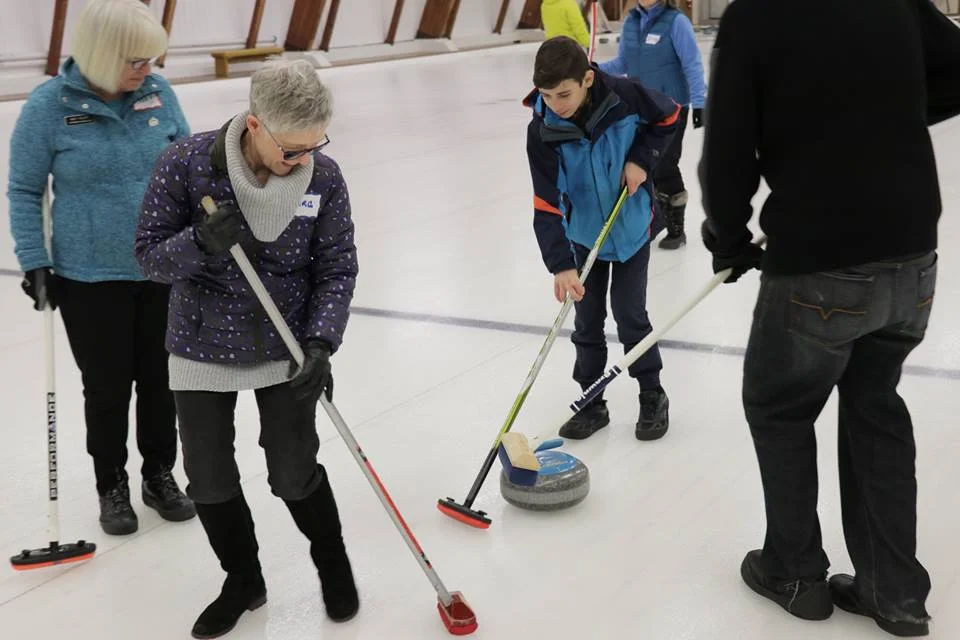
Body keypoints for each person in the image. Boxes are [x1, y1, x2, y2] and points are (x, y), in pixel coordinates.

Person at [698, 0, 960, 635]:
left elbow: (728, 148)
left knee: (779, 406)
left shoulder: (756, 16)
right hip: (909, 254)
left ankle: (794, 569)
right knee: (875, 402)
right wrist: (883, 122)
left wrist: (728, 240)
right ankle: (894, 592)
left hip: (822, 260)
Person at [134, 59, 360, 639]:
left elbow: (336, 268)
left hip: (286, 345)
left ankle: (331, 562)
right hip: (200, 346)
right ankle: (243, 581)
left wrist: (321, 342)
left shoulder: (324, 178)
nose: (303, 160)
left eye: (315, 145)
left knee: (292, 471)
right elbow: (150, 259)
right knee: (207, 478)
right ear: (255, 126)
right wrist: (199, 244)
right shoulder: (186, 165)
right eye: (291, 150)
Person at [7, 0, 194, 536]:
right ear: (102, 53)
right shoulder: (50, 106)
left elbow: (189, 165)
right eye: (135, 59)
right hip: (89, 278)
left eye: (151, 58)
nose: (147, 69)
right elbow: (24, 190)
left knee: (162, 382)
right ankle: (110, 483)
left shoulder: (159, 94)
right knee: (108, 388)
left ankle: (159, 474)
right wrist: (35, 260)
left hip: (163, 269)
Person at [525, 36, 680, 442]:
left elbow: (668, 117)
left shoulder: (625, 95)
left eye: (564, 94)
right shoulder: (542, 130)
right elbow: (545, 204)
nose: (556, 104)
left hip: (629, 228)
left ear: (588, 79)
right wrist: (560, 264)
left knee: (631, 316)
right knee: (587, 323)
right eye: (546, 95)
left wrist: (640, 160)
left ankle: (652, 394)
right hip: (581, 237)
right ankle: (592, 402)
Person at [599, 0, 706, 250]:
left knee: (665, 165)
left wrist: (700, 102)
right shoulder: (631, 22)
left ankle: (675, 228)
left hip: (672, 106)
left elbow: (692, 64)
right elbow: (623, 64)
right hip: (641, 106)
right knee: (642, 164)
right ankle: (651, 220)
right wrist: (593, 69)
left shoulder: (676, 22)